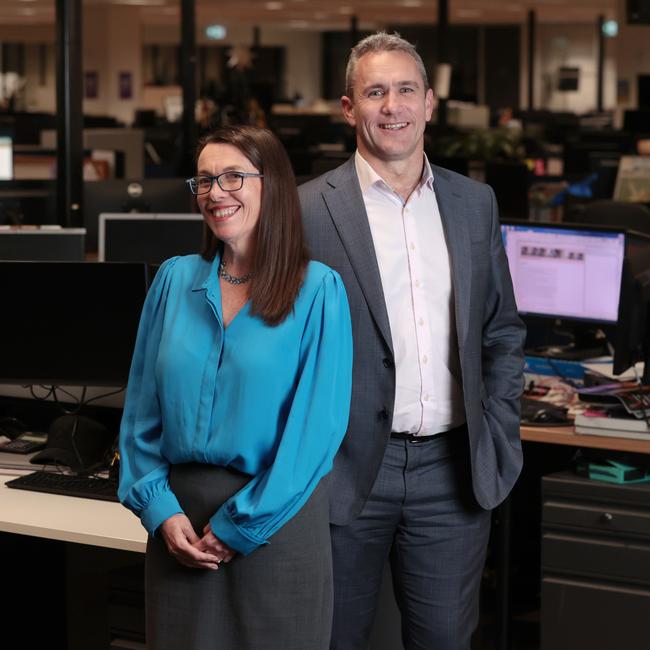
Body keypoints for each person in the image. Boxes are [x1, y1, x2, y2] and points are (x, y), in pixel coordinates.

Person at [298, 32, 526, 649]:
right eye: (375, 92)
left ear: (429, 103)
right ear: (349, 109)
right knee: (331, 639)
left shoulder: (473, 203)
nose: (392, 106)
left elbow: (501, 329)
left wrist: (499, 429)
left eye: (405, 90)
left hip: (451, 474)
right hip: (341, 474)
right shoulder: (306, 212)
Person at [118, 125, 353, 650]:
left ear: (272, 185)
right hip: (179, 525)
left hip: (275, 525)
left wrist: (239, 526)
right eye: (203, 181)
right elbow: (139, 417)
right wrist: (159, 509)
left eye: (232, 177)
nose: (215, 193)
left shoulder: (318, 290)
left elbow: (316, 433)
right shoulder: (174, 281)